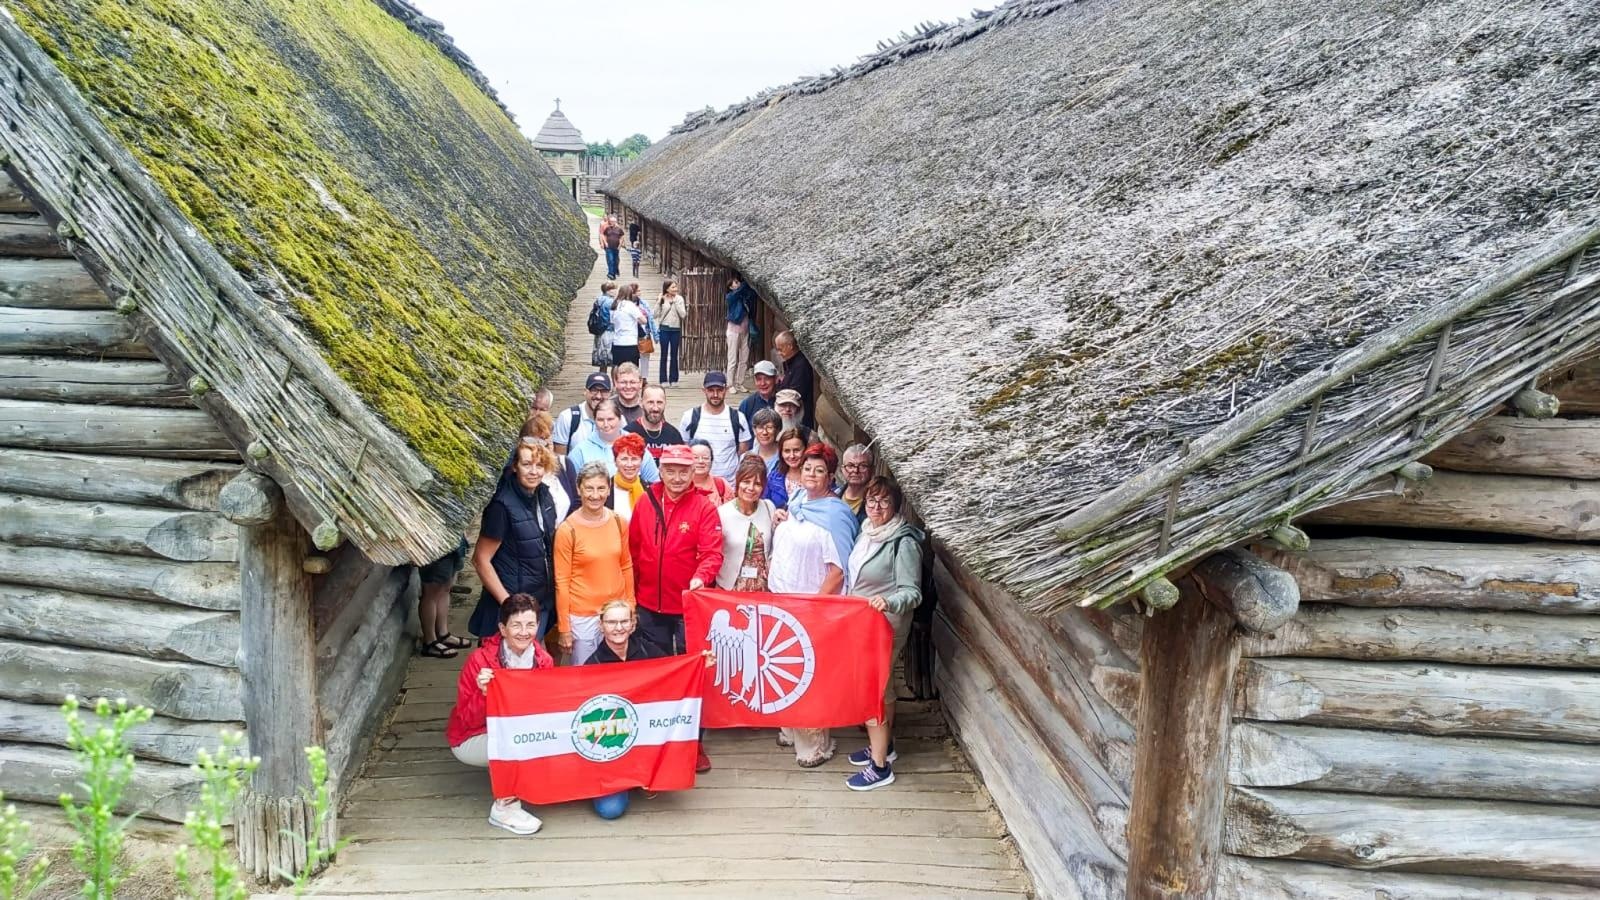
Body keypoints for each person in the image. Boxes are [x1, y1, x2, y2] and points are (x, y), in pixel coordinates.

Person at [629, 444, 722, 772]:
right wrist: (633, 595)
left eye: (684, 470)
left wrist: (700, 578)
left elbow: (712, 553)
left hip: (687, 607)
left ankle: (694, 744)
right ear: (661, 469)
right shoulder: (645, 502)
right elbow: (634, 550)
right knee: (653, 674)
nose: (678, 477)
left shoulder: (704, 507)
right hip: (648, 606)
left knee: (691, 675)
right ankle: (656, 739)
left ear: (693, 471)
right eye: (671, 470)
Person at [767, 443, 858, 767]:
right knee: (785, 667)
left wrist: (816, 606)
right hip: (784, 599)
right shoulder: (799, 500)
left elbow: (838, 570)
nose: (812, 474)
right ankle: (791, 726)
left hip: (813, 604)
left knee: (812, 673)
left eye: (819, 470)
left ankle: (815, 743)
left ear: (831, 476)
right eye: (807, 468)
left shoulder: (836, 514)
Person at [446, 593, 553, 835]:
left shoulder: (543, 661)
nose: (524, 632)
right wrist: (484, 694)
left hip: (515, 730)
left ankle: (520, 781)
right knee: (513, 740)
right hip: (473, 736)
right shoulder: (480, 661)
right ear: (502, 629)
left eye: (530, 625)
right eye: (516, 625)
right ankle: (504, 807)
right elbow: (466, 719)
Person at [842, 477, 923, 791]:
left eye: (884, 502)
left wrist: (888, 601)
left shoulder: (904, 542)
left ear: (896, 505)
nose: (876, 507)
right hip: (864, 624)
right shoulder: (868, 532)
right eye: (871, 500)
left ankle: (879, 768)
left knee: (872, 691)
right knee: (884, 689)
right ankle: (884, 747)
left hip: (885, 626)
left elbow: (911, 592)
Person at [470, 442, 559, 641]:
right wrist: (508, 604)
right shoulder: (501, 505)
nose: (534, 471)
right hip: (511, 603)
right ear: (515, 466)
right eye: (527, 464)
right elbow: (480, 559)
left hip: (540, 600)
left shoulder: (544, 495)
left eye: (539, 465)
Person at [581, 599, 661, 820]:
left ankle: (643, 775)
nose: (618, 628)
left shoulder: (649, 652)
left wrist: (700, 663)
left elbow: (678, 672)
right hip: (611, 746)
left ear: (633, 624)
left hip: (643, 737)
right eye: (612, 622)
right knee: (611, 810)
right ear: (601, 626)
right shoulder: (592, 665)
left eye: (624, 621)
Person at [555, 462, 635, 666]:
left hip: (616, 613)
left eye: (601, 488)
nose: (595, 495)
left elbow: (626, 565)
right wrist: (564, 627)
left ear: (608, 489)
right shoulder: (568, 530)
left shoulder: (619, 522)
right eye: (589, 488)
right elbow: (561, 582)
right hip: (583, 616)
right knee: (585, 674)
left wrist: (630, 607)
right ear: (578, 489)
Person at [567, 398, 660, 486]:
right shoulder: (580, 451)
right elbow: (572, 489)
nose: (606, 425)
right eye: (600, 420)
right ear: (594, 421)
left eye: (610, 419)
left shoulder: (637, 446)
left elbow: (654, 484)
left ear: (620, 419)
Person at [716, 455, 775, 592]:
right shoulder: (721, 513)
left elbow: (775, 546)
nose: (751, 488)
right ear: (738, 482)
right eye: (746, 481)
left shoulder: (769, 507)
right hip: (730, 586)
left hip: (763, 587)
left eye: (757, 484)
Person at [680, 371, 751, 481]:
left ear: (726, 390)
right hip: (698, 484)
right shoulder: (689, 417)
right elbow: (685, 450)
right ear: (704, 390)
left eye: (719, 390)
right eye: (711, 390)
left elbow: (742, 451)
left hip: (729, 485)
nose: (715, 395)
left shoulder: (738, 418)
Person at [512, 411, 573, 521]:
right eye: (539, 439)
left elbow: (577, 501)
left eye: (547, 437)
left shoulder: (564, 463)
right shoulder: (524, 474)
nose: (546, 443)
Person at [417, 536, 471, 658]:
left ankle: (443, 634)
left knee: (446, 587)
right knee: (431, 591)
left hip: (452, 538)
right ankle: (430, 641)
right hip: (434, 539)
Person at [553, 372, 611, 457]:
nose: (598, 396)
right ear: (585, 391)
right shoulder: (568, 418)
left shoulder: (618, 420)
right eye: (594, 390)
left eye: (603, 391)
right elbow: (560, 461)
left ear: (610, 394)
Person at [626, 383, 684, 460]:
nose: (655, 408)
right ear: (640, 403)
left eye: (659, 402)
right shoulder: (628, 434)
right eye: (650, 402)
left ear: (665, 403)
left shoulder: (674, 435)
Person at [775, 330, 816, 428]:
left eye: (780, 349)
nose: (779, 353)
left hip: (797, 418)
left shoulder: (801, 366)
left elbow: (795, 394)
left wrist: (779, 386)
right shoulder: (793, 363)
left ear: (789, 346)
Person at [762, 426, 808, 509]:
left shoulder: (814, 477)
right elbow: (764, 505)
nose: (792, 456)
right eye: (787, 451)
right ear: (781, 453)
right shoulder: (773, 478)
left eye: (796, 450)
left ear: (805, 450)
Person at [652, 279, 687, 386]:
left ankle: (674, 379)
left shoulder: (679, 299)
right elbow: (654, 315)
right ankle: (663, 379)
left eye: (676, 287)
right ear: (666, 288)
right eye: (672, 287)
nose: (675, 289)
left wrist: (675, 302)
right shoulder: (662, 298)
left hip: (675, 329)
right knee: (664, 354)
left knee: (674, 354)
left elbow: (683, 315)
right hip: (664, 329)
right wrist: (659, 301)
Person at [725, 275, 756, 390]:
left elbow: (751, 294)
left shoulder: (744, 296)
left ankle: (740, 382)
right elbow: (741, 290)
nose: (737, 284)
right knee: (732, 359)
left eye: (738, 282)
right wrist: (745, 281)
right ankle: (730, 384)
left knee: (744, 358)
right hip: (733, 331)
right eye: (735, 283)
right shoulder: (730, 296)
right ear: (730, 287)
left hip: (745, 330)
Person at [611, 432, 649, 522]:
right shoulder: (605, 490)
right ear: (615, 461)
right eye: (624, 459)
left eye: (634, 459)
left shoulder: (650, 491)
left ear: (641, 461)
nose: (629, 464)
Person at [609, 283, 643, 373]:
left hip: (617, 341)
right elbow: (643, 320)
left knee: (617, 367)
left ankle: (616, 383)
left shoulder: (614, 305)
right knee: (632, 368)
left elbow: (612, 321)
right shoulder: (630, 305)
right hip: (629, 341)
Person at [688, 438, 734, 505]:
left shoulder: (721, 485)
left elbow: (731, 511)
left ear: (711, 461)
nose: (700, 461)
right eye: (695, 457)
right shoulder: (679, 486)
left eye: (705, 458)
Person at [839, 444, 876, 523]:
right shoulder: (835, 496)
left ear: (872, 470)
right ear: (842, 469)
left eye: (863, 466)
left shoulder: (876, 506)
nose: (856, 471)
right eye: (850, 465)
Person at [632, 284, 657, 385]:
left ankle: (644, 377)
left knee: (645, 356)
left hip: (645, 332)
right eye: (637, 291)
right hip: (633, 334)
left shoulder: (644, 303)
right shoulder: (627, 304)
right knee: (634, 356)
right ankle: (635, 376)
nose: (639, 293)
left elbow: (650, 317)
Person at [589, 283, 616, 372]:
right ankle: (613, 381)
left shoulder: (599, 299)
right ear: (607, 291)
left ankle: (603, 378)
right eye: (613, 289)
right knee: (612, 360)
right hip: (608, 331)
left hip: (599, 331)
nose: (615, 291)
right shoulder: (610, 302)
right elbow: (608, 318)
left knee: (602, 361)